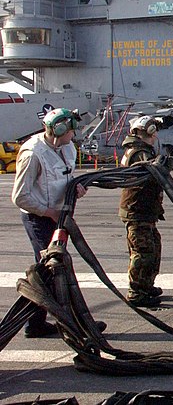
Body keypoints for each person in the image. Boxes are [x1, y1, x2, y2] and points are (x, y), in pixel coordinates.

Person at [12, 108, 89, 337]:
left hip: (58, 215)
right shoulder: (33, 153)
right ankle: (72, 323)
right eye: (70, 131)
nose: (73, 136)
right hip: (38, 217)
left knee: (46, 270)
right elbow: (20, 196)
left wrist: (75, 187)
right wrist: (48, 212)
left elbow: (64, 176)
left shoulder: (66, 147)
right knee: (52, 267)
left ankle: (36, 324)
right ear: (59, 129)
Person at [118, 115, 173, 307]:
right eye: (152, 130)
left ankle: (146, 284)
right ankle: (136, 292)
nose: (155, 134)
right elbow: (154, 172)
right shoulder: (139, 153)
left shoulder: (141, 151)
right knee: (142, 252)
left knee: (153, 248)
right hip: (137, 210)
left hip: (146, 210)